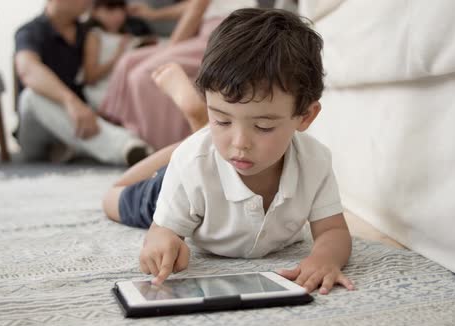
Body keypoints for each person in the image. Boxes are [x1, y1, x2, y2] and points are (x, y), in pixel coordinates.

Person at [102, 8, 355, 295]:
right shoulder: (191, 166)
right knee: (113, 198)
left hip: (203, 159)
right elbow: (161, 233)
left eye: (262, 126)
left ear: (305, 117)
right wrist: (162, 242)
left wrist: (324, 258)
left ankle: (202, 127)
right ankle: (194, 134)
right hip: (182, 188)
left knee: (204, 145)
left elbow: (333, 231)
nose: (239, 143)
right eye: (221, 120)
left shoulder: (314, 161)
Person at [98, 0, 258, 152]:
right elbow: (195, 5)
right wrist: (153, 15)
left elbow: (197, 8)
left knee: (144, 74)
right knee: (129, 60)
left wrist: (170, 49)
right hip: (210, 32)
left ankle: (162, 146)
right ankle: (117, 126)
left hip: (225, 36)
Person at [14, 0, 150, 165]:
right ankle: (127, 147)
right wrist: (70, 101)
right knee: (31, 95)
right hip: (40, 128)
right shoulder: (30, 31)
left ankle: (72, 148)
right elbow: (28, 70)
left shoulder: (87, 33)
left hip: (81, 123)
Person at [82, 0, 154, 110]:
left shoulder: (128, 35)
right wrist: (119, 55)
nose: (118, 15)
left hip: (129, 86)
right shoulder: (95, 35)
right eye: (110, 9)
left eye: (121, 9)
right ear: (95, 11)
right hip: (105, 90)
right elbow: (90, 77)